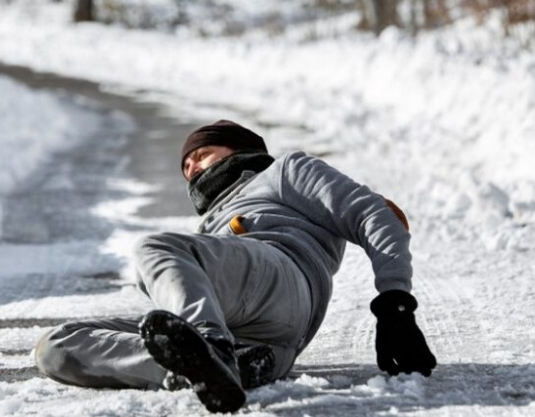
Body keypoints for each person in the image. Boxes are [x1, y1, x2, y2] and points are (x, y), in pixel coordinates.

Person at [34, 120, 437, 413]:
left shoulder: (285, 173)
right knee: (57, 346)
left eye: (201, 154)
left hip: (283, 277)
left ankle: (209, 346)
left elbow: (376, 214)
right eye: (185, 166)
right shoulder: (209, 224)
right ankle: (205, 368)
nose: (191, 168)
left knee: (155, 248)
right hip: (266, 340)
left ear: (239, 149)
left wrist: (395, 305)